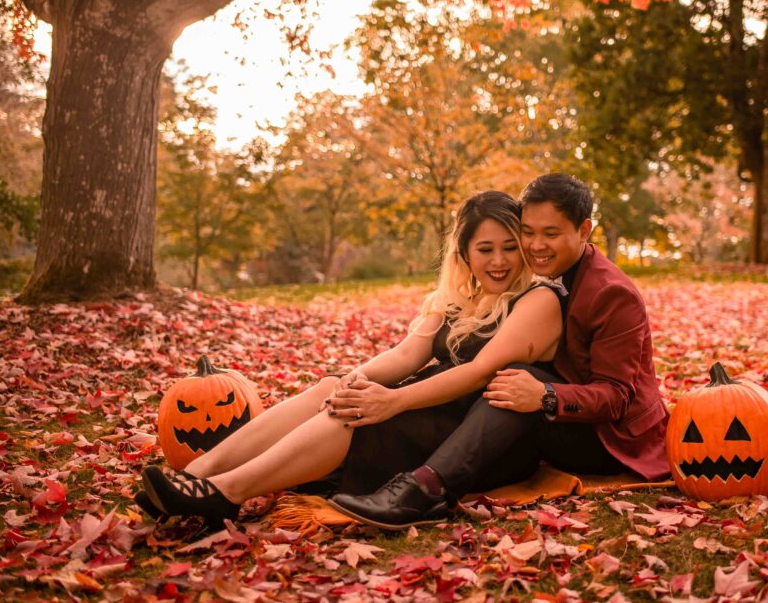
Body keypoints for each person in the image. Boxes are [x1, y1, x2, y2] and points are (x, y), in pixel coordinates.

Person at [139, 191, 563, 526]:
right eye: (485, 249)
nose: (499, 260)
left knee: (352, 414)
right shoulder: (459, 298)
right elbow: (407, 354)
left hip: (478, 434)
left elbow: (477, 372)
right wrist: (353, 378)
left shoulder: (538, 299)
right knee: (334, 389)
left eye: (510, 247)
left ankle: (227, 492)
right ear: (465, 254)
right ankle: (197, 473)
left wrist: (391, 400)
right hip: (432, 409)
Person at [328, 173, 671, 529]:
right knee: (490, 380)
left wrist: (547, 395)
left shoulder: (611, 293)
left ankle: (427, 490)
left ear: (584, 231)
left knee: (518, 378)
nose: (536, 245)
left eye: (551, 234)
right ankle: (358, 473)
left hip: (607, 440)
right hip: (552, 423)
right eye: (528, 232)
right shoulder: (545, 278)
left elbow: (616, 397)